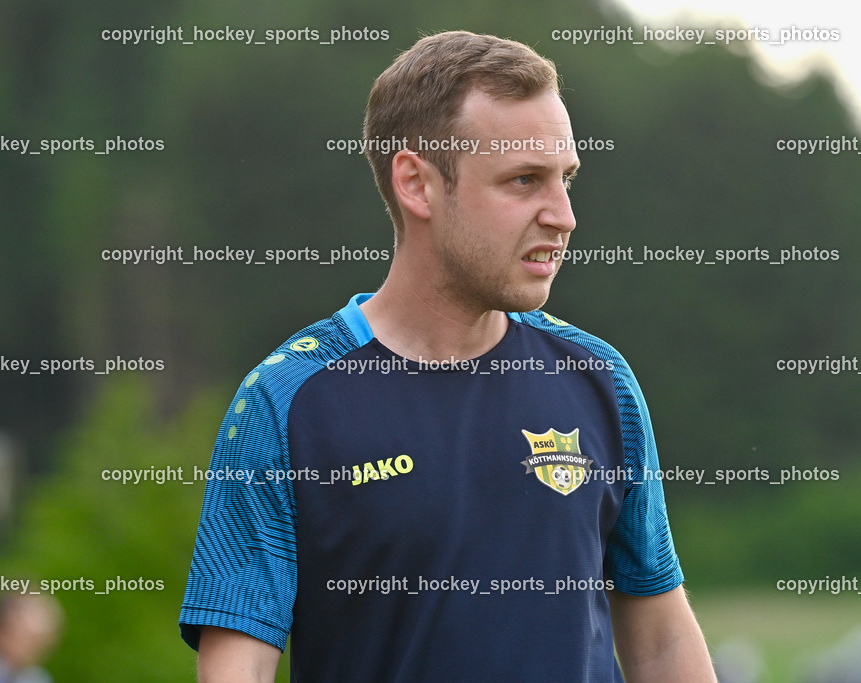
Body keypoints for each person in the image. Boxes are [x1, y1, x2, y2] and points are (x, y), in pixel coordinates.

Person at [179, 30, 716, 681]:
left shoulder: (600, 379)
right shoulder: (285, 401)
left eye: (566, 179)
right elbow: (239, 668)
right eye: (525, 181)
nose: (565, 215)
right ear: (417, 184)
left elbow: (659, 639)